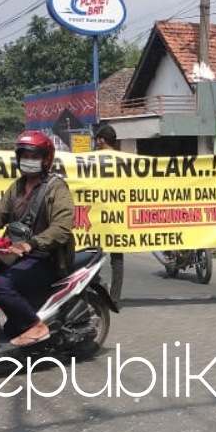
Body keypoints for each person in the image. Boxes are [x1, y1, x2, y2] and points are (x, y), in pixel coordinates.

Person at [0, 130, 74, 347]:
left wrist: (32, 243)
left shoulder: (56, 187)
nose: (28, 161)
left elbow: (62, 227)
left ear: (46, 159)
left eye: (34, 156)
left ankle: (35, 325)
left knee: (2, 286)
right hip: (16, 254)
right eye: (24, 156)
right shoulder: (18, 186)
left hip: (46, 257)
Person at [93, 124, 125, 305]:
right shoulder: (123, 160)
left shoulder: (95, 159)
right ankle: (115, 298)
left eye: (98, 139)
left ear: (102, 140)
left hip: (98, 216)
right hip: (119, 217)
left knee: (92, 256)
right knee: (117, 260)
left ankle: (96, 289)